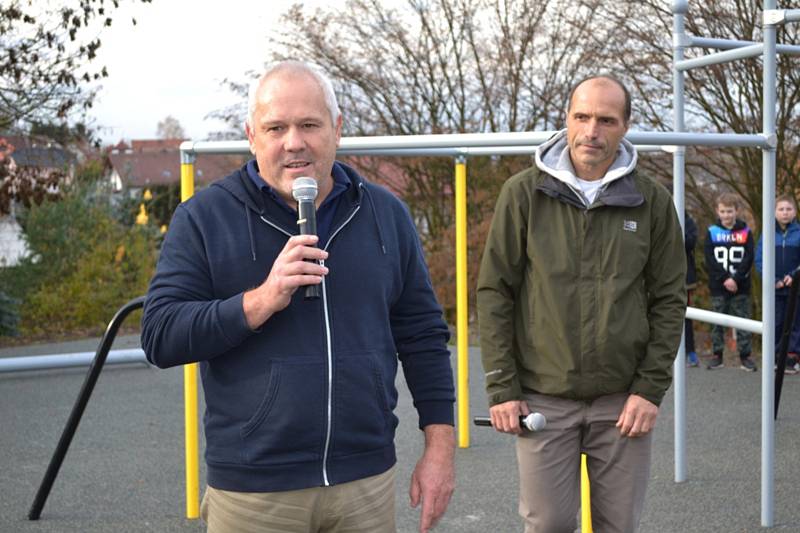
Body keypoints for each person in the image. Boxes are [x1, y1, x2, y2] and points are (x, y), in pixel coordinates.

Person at [141, 61, 456, 533]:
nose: (294, 142)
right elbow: (161, 335)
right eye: (276, 128)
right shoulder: (204, 217)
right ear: (252, 135)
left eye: (310, 124)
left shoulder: (385, 214)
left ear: (337, 129)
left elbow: (424, 336)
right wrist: (260, 301)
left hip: (365, 481)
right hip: (255, 490)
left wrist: (440, 451)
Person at [476, 75, 686, 533]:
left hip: (624, 401)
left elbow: (670, 299)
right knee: (548, 523)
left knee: (619, 526)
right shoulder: (524, 193)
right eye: (582, 116)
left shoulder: (650, 201)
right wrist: (502, 387)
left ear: (625, 126)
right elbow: (495, 293)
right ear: (567, 119)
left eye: (606, 120)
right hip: (543, 397)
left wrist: (650, 390)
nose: (591, 130)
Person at [703, 192, 757, 372]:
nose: (727, 215)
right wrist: (725, 278)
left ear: (737, 211)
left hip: (740, 286)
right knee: (717, 321)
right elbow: (710, 259)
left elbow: (749, 257)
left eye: (730, 211)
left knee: (743, 320)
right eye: (723, 211)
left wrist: (736, 278)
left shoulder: (745, 232)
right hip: (719, 286)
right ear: (717, 212)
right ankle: (717, 355)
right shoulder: (712, 232)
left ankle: (745, 356)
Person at [755, 194, 800, 375]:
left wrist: (794, 276)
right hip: (774, 289)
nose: (785, 213)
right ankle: (774, 356)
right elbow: (759, 260)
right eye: (781, 209)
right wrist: (772, 280)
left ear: (795, 212)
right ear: (774, 212)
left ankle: (791, 358)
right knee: (776, 322)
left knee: (795, 322)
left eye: (788, 209)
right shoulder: (767, 234)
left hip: (795, 288)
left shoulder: (799, 233)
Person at [685, 211, 699, 367]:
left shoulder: (688, 221)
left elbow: (690, 243)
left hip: (684, 279)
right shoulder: (656, 214)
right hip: (658, 276)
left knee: (686, 316)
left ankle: (690, 352)